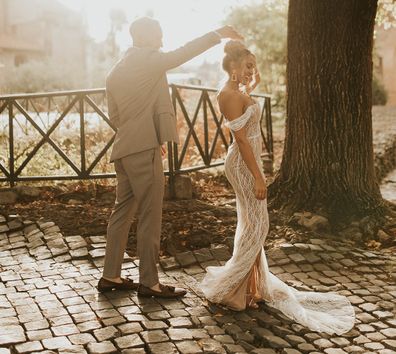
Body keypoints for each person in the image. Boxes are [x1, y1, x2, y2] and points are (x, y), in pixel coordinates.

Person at [200, 41, 355, 334]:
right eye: (247, 67)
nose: (251, 72)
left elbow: (247, 109)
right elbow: (242, 141)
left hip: (249, 163)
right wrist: (258, 177)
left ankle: (248, 288)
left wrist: (252, 82)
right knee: (258, 224)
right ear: (233, 67)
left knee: (251, 223)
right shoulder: (229, 95)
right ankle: (234, 290)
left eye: (253, 68)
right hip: (244, 166)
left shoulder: (238, 91)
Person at [98, 17, 243, 298]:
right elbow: (183, 53)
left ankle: (110, 275)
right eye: (160, 36)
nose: (162, 42)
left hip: (124, 148)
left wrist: (142, 133)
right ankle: (149, 283)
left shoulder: (115, 71)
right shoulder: (149, 60)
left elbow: (115, 116)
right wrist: (218, 33)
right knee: (150, 216)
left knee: (121, 213)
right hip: (143, 149)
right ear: (149, 38)